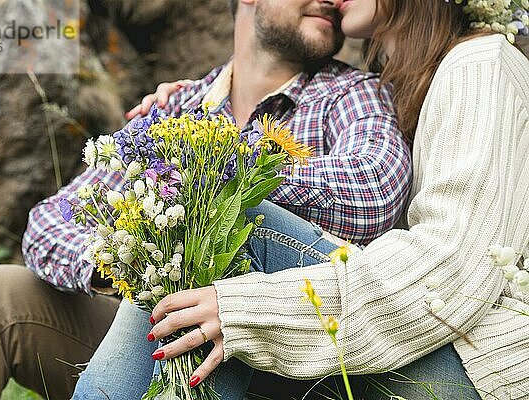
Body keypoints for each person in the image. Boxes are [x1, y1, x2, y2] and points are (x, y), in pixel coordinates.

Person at [0, 0, 412, 399]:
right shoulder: (179, 106)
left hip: (274, 349)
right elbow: (51, 219)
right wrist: (125, 260)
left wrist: (219, 173)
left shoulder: (351, 94)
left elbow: (376, 192)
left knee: (215, 247)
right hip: (146, 325)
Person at [73, 0, 529, 399]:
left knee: (232, 215)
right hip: (425, 343)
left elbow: (449, 268)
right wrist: (125, 253)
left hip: (474, 372)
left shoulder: (479, 64)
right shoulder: (419, 80)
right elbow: (59, 213)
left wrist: (245, 309)